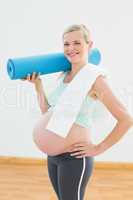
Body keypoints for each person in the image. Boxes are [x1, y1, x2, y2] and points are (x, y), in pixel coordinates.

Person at [22, 24, 133, 200]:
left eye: (77, 43)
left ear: (89, 45)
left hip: (74, 158)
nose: (71, 48)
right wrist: (38, 86)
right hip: (53, 157)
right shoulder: (64, 76)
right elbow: (47, 113)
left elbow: (126, 119)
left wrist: (98, 148)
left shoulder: (95, 79)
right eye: (66, 44)